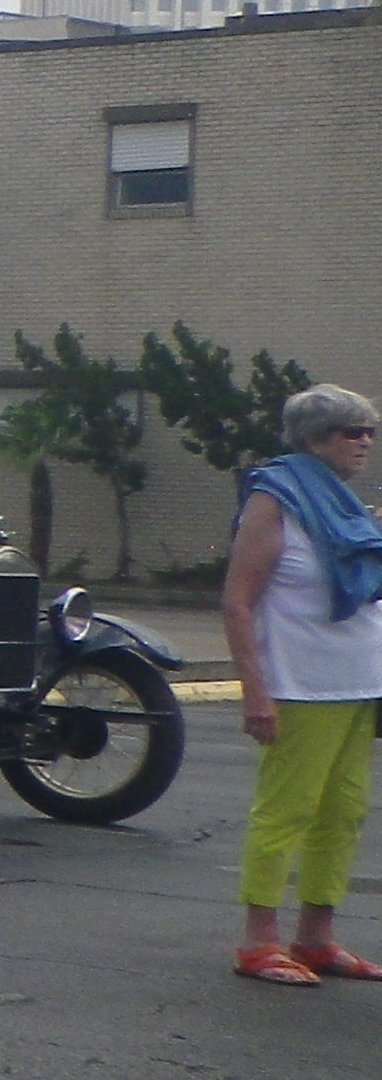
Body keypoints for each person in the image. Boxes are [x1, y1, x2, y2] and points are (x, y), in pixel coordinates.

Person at [219, 381, 382, 987]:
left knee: (342, 815)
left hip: (357, 685)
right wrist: (254, 692)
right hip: (299, 687)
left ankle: (315, 937)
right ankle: (258, 943)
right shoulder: (276, 500)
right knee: (284, 813)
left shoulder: (343, 505)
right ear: (314, 440)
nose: (365, 442)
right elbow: (237, 602)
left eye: (369, 431)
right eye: (351, 432)